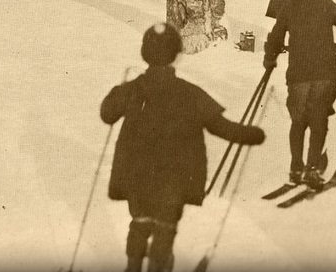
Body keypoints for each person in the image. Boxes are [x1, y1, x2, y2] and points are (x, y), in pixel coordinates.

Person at [102, 24, 265, 272]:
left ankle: (133, 267)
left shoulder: (132, 90)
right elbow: (220, 126)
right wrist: (253, 134)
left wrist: (117, 91)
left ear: (144, 54)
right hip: (175, 180)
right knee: (165, 229)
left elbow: (107, 114)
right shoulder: (189, 94)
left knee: (139, 223)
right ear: (176, 55)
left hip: (136, 178)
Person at [263, 0, 336, 188]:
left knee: (298, 122)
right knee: (319, 121)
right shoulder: (329, 6)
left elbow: (275, 38)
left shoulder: (289, 7)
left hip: (298, 76)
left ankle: (296, 166)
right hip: (325, 75)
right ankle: (312, 168)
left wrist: (270, 59)